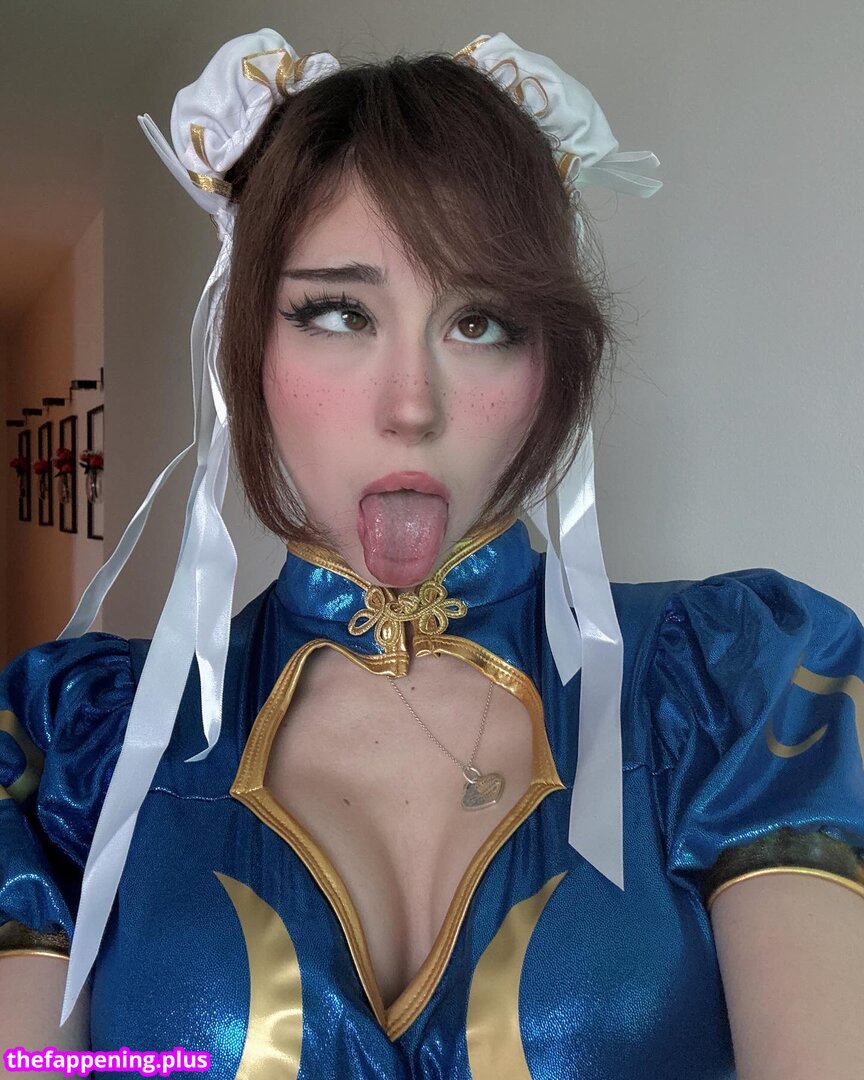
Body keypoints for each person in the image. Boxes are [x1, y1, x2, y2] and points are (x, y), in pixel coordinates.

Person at [1, 28, 863, 1080]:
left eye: (482, 322)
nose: (411, 405)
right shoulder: (77, 757)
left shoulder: (736, 690)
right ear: (246, 342)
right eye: (337, 313)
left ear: (552, 358)